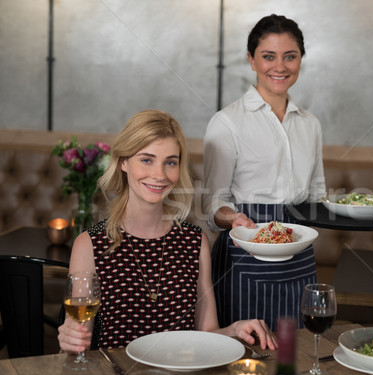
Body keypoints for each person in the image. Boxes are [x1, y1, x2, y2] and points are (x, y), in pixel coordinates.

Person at [58, 110, 277, 352]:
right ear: (123, 162)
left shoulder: (195, 241)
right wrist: (70, 338)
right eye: (146, 159)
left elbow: (207, 334)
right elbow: (78, 338)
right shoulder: (89, 244)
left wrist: (234, 330)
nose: (160, 175)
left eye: (170, 162)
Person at [202, 15, 326, 330]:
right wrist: (235, 220)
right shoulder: (226, 122)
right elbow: (212, 204)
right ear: (251, 60)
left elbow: (316, 195)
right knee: (243, 356)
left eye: (290, 56)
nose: (280, 66)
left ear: (301, 59)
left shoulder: (310, 124)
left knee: (295, 350)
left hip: (298, 251)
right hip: (244, 250)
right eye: (268, 56)